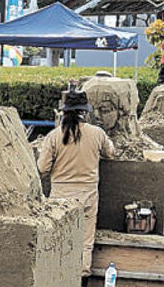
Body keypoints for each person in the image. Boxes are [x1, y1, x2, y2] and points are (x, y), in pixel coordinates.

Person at [37, 90, 116, 276]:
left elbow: (42, 168)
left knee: (58, 240)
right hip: (87, 195)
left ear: (63, 112)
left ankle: (56, 277)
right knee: (85, 241)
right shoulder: (97, 133)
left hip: (59, 198)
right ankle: (81, 278)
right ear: (85, 112)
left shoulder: (54, 136)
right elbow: (110, 152)